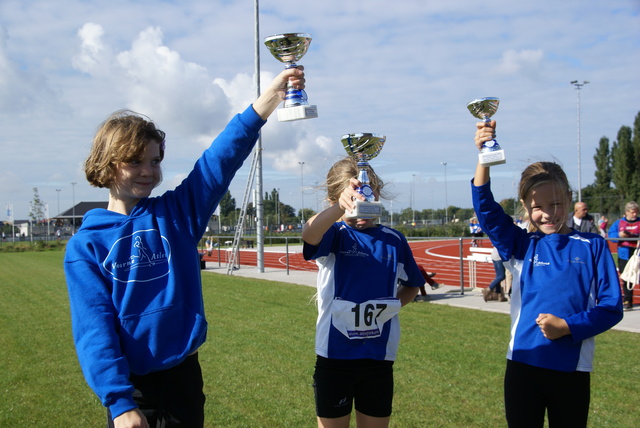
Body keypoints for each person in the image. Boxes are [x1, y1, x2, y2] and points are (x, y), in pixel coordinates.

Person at [63, 67, 307, 428]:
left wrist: (269, 98)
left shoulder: (176, 215)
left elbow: (218, 161)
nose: (149, 171)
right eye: (135, 161)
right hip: (133, 391)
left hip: (183, 379)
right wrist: (120, 404)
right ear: (107, 164)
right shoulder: (86, 245)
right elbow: (93, 329)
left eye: (155, 161)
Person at [472, 120, 623, 427]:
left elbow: (611, 308)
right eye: (537, 206)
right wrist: (483, 157)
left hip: (572, 370)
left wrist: (568, 326)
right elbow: (485, 208)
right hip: (523, 367)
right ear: (526, 207)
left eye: (556, 203)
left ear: (569, 197)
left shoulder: (593, 245)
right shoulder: (521, 244)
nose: (548, 213)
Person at [301, 157, 423, 428]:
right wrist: (338, 208)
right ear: (337, 198)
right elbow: (309, 234)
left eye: (367, 193)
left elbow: (413, 284)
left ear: (376, 192)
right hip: (334, 358)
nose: (361, 203)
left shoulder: (394, 240)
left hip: (378, 359)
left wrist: (387, 309)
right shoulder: (336, 234)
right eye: (352, 197)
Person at [608, 201, 639, 310]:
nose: (634, 214)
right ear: (626, 212)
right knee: (627, 277)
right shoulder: (619, 223)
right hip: (624, 253)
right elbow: (611, 236)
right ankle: (627, 300)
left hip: (637, 253)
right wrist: (619, 235)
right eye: (632, 212)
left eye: (636, 212)